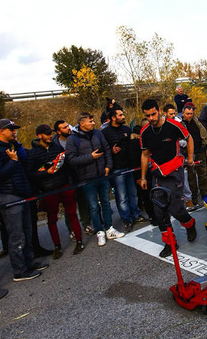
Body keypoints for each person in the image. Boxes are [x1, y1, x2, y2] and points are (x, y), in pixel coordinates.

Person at [0, 118, 48, 281]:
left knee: (27, 231)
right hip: (9, 195)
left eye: (15, 129)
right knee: (16, 235)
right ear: (1, 131)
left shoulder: (11, 146)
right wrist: (13, 162)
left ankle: (29, 262)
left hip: (22, 193)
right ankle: (20, 270)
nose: (14, 132)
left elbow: (26, 160)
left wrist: (18, 146)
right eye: (11, 129)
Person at [137, 99, 197, 258]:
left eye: (153, 114)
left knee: (176, 209)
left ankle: (190, 224)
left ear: (159, 111)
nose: (151, 118)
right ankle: (170, 243)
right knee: (159, 211)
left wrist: (189, 158)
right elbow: (144, 155)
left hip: (175, 172)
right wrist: (143, 177)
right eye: (147, 115)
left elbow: (189, 138)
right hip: (157, 175)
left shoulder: (173, 125)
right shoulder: (144, 132)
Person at [65, 112, 124, 247]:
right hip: (87, 179)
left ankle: (109, 228)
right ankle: (99, 231)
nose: (93, 123)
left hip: (102, 175)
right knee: (92, 206)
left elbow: (107, 150)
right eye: (90, 121)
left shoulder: (98, 133)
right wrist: (91, 157)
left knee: (106, 203)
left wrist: (108, 166)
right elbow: (71, 159)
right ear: (82, 123)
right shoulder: (73, 139)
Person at [29, 124, 84, 258]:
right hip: (48, 190)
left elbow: (67, 166)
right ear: (39, 136)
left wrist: (73, 183)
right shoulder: (34, 153)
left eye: (50, 133)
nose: (49, 136)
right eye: (47, 134)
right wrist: (46, 173)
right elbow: (32, 174)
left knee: (72, 214)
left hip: (64, 185)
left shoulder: (57, 147)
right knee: (52, 218)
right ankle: (57, 246)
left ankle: (79, 241)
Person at [102, 106, 146, 233]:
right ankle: (126, 219)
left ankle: (136, 215)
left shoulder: (127, 129)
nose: (123, 117)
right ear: (113, 118)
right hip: (117, 169)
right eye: (120, 115)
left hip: (130, 167)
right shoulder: (105, 132)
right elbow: (104, 150)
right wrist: (111, 151)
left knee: (133, 193)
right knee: (122, 196)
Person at [54, 119, 91, 235]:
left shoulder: (76, 138)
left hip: (79, 174)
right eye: (64, 128)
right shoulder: (55, 145)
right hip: (66, 178)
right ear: (58, 132)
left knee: (83, 201)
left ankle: (86, 224)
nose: (68, 129)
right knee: (69, 205)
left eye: (67, 126)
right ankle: (72, 230)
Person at [180, 103, 207, 210]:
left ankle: (205, 195)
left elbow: (204, 133)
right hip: (188, 153)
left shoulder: (197, 122)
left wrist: (205, 143)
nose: (189, 116)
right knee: (191, 177)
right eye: (187, 114)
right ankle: (193, 199)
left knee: (203, 175)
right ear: (183, 113)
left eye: (191, 113)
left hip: (200, 151)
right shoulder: (180, 125)